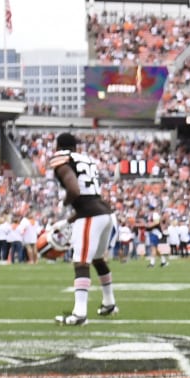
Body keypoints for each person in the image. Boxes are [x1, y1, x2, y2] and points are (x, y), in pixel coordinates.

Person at [47, 131, 120, 325]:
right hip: (105, 212)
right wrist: (70, 219)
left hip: (91, 215)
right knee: (97, 259)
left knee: (80, 261)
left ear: (57, 146)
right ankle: (109, 303)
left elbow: (75, 190)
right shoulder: (86, 160)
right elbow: (88, 195)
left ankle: (80, 314)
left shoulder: (61, 160)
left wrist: (64, 205)